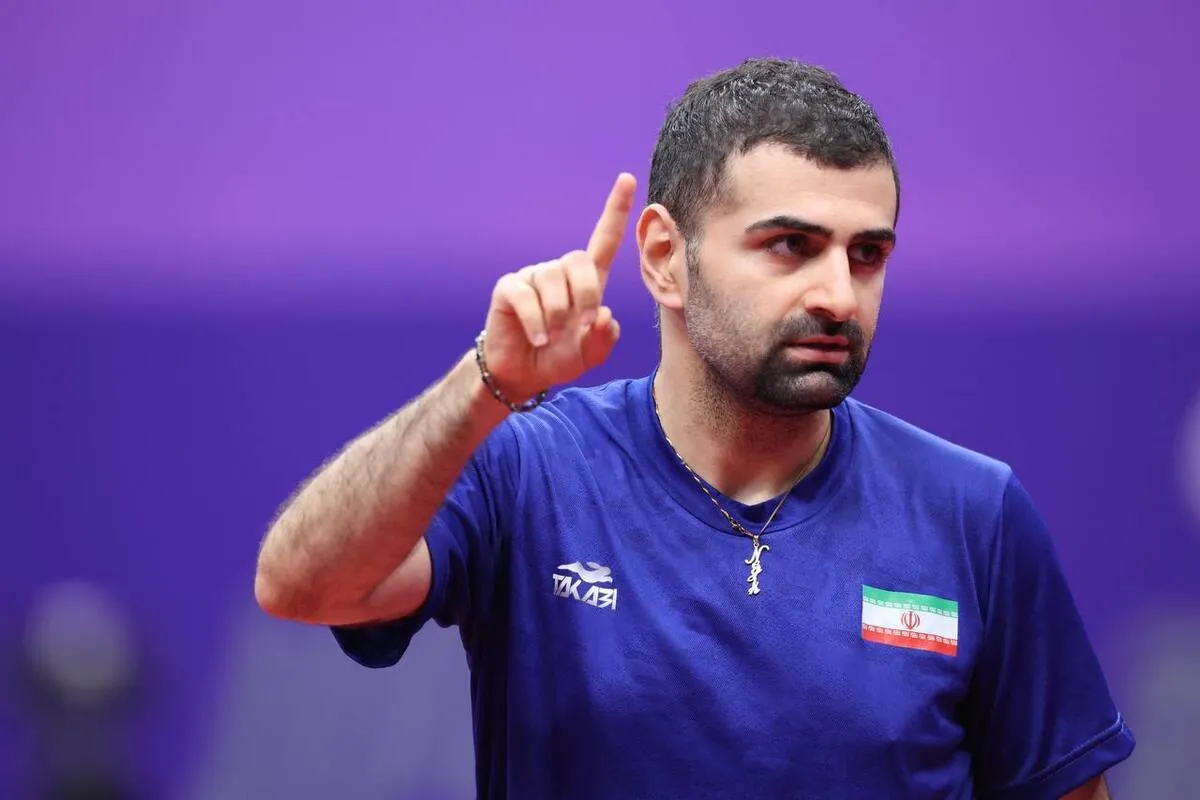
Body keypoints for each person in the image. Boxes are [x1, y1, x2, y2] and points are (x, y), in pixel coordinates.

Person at [255, 58, 1135, 799]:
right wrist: (482, 386)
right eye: (791, 246)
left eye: (867, 254)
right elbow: (303, 586)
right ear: (664, 259)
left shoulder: (974, 513)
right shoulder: (528, 470)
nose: (839, 295)